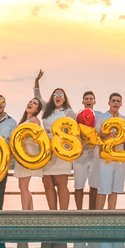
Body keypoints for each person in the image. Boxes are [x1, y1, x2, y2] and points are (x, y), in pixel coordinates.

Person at [33, 70, 75, 210]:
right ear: (52, 97)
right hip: (46, 150)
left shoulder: (68, 112)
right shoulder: (47, 110)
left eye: (60, 94)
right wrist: (37, 82)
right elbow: (37, 97)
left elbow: (75, 131)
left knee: (61, 183)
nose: (58, 96)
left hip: (62, 150)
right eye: (55, 94)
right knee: (47, 183)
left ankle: (64, 215)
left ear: (64, 98)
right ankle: (52, 214)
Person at [94, 93, 125, 210]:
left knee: (115, 189)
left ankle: (111, 217)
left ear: (121, 104)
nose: (116, 103)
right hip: (106, 159)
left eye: (118, 101)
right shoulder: (102, 118)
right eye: (113, 101)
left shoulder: (124, 119)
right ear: (109, 103)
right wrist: (106, 134)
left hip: (119, 158)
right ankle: (98, 218)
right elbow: (96, 136)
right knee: (103, 188)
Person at [14, 97, 44, 209]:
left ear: (37, 110)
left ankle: (25, 213)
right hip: (22, 154)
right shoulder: (24, 121)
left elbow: (38, 138)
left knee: (23, 186)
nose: (31, 103)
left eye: (34, 103)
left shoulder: (34, 120)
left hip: (27, 154)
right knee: (23, 186)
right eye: (30, 102)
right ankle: (30, 210)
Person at [73, 90, 100, 211]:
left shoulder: (100, 116)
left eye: (91, 99)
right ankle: (79, 212)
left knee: (94, 186)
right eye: (86, 99)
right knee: (79, 185)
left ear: (94, 101)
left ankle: (92, 212)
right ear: (83, 101)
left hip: (94, 154)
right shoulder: (76, 116)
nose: (89, 100)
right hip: (80, 155)